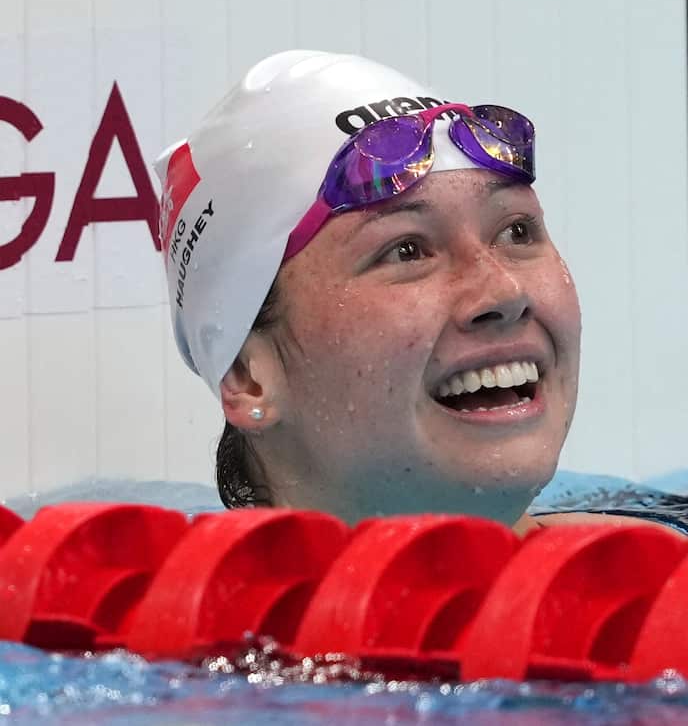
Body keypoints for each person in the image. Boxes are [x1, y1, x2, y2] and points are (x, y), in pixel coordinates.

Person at [156, 50, 630, 534]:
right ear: (247, 374)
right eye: (407, 250)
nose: (504, 292)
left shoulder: (657, 575)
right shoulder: (162, 608)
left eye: (516, 232)